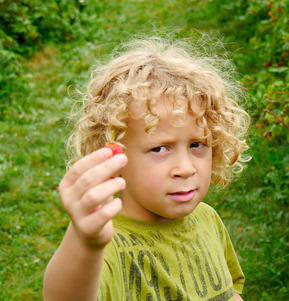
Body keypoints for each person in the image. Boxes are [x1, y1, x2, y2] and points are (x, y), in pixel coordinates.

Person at [43, 35, 250, 301]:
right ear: (113, 156)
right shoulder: (108, 245)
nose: (185, 168)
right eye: (159, 149)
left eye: (198, 144)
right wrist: (84, 243)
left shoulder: (207, 218)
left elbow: (228, 291)